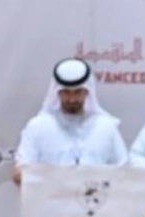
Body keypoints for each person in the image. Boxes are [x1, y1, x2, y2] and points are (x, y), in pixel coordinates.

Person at [13, 57, 128, 185]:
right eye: (66, 92)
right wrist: (21, 174)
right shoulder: (38, 126)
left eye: (78, 92)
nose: (72, 99)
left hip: (95, 202)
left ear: (87, 91)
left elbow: (124, 171)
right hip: (51, 203)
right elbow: (22, 168)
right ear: (57, 92)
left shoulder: (106, 127)